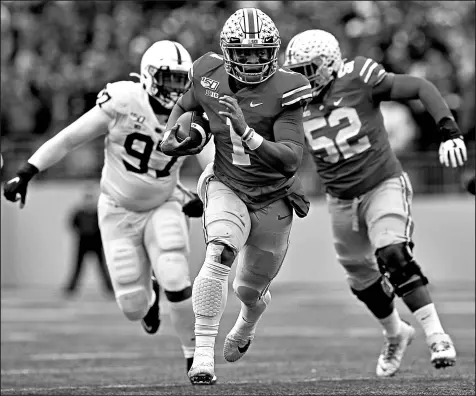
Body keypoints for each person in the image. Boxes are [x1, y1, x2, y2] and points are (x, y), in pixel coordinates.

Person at [3, 40, 209, 377]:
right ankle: (150, 300)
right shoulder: (124, 100)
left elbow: (211, 162)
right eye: (167, 79)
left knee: (174, 271)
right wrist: (27, 171)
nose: (174, 88)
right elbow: (70, 138)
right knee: (132, 304)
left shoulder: (193, 114)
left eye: (179, 80)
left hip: (164, 201)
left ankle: (194, 356)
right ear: (148, 77)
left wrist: (205, 194)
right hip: (117, 208)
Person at [283, 29, 467, 377]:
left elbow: (420, 87)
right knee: (359, 276)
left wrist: (448, 127)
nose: (301, 78)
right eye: (296, 71)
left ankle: (436, 335)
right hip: (340, 199)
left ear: (329, 64)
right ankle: (396, 332)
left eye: (308, 69)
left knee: (393, 254)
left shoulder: (358, 76)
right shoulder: (292, 98)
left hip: (382, 184)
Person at [160, 7, 312, 385]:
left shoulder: (287, 88)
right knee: (219, 251)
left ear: (273, 52)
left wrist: (246, 132)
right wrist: (175, 133)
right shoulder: (206, 72)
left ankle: (246, 324)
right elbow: (187, 104)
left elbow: (291, 159)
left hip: (274, 197)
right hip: (227, 182)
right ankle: (203, 357)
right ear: (228, 52)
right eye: (243, 53)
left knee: (249, 288)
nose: (253, 59)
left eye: (261, 52)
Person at [64, 186, 113, 297]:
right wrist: (81, 232)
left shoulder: (98, 212)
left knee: (102, 266)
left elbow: (104, 225)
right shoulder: (79, 212)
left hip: (96, 242)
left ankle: (109, 288)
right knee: (78, 266)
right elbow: (73, 224)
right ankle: (71, 289)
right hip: (83, 241)